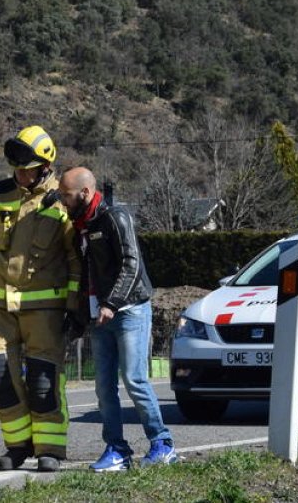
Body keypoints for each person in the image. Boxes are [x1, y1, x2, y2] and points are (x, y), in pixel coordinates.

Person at [0, 125, 82, 472]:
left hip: (45, 311)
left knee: (43, 383)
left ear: (45, 165)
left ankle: (50, 449)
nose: (20, 174)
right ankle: (18, 446)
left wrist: (75, 306)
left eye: (27, 168)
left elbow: (75, 259)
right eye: (17, 167)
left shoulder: (62, 199)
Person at [57, 166, 178, 471]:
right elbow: (85, 274)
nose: (63, 201)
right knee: (103, 387)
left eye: (67, 196)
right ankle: (117, 450)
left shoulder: (115, 217)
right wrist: (80, 314)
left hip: (129, 310)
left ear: (85, 193)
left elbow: (131, 262)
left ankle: (162, 444)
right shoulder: (79, 225)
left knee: (135, 380)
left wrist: (112, 302)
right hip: (100, 316)